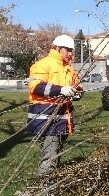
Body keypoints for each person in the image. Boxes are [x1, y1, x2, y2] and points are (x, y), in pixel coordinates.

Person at [27, 35, 83, 175]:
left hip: (62, 119)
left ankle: (51, 185)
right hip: (47, 118)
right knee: (50, 156)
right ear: (57, 48)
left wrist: (77, 92)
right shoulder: (43, 64)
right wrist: (61, 90)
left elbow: (77, 85)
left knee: (56, 153)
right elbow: (36, 87)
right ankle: (45, 189)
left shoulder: (68, 68)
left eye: (71, 50)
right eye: (67, 50)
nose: (70, 53)